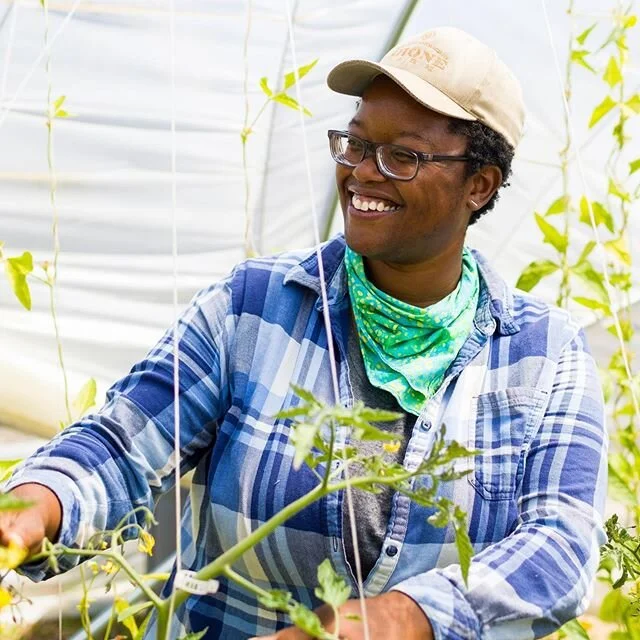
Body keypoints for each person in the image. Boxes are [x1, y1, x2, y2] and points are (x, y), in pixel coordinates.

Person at [0, 27, 606, 640]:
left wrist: (401, 618)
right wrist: (31, 507)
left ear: (480, 184)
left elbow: (561, 547)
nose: (363, 174)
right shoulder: (255, 307)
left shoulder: (544, 354)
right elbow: (123, 439)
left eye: (404, 156)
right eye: (356, 144)